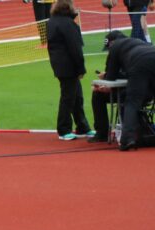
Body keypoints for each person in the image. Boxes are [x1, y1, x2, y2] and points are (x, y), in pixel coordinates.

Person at [102, 30, 155, 150]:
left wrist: (104, 76)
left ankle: (128, 139)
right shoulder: (137, 41)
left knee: (132, 102)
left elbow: (111, 77)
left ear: (111, 43)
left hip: (140, 62)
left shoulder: (115, 47)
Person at [46, 0, 92, 140]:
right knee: (69, 98)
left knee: (76, 97)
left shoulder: (52, 22)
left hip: (59, 64)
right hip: (69, 66)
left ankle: (82, 127)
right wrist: (81, 68)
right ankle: (64, 129)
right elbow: (75, 48)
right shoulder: (68, 24)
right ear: (67, 8)